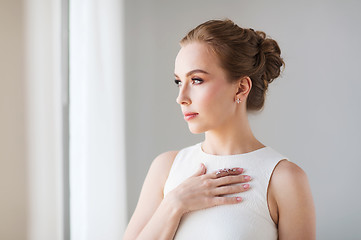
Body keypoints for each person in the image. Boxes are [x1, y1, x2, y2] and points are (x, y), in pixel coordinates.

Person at [123, 19, 315, 240]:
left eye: (196, 80)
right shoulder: (166, 168)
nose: (181, 98)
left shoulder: (284, 179)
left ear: (241, 87)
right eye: (178, 82)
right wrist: (175, 204)